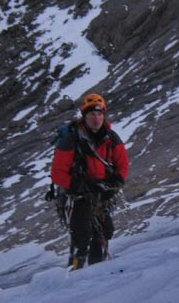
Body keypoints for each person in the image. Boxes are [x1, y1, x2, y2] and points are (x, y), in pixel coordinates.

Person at [50, 93, 129, 269]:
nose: (96, 118)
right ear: (84, 116)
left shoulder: (111, 138)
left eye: (100, 114)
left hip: (101, 193)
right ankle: (75, 272)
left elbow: (122, 165)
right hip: (76, 195)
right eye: (92, 114)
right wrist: (79, 186)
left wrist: (116, 184)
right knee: (82, 235)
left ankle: (96, 269)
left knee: (104, 231)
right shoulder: (71, 139)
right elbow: (57, 173)